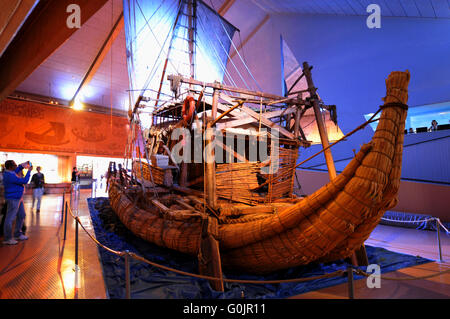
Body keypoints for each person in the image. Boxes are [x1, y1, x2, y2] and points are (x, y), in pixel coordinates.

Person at [2, 160, 32, 245]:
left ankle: (17, 234)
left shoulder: (10, 172)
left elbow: (16, 171)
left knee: (21, 215)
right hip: (13, 198)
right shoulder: (9, 175)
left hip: (18, 198)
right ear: (10, 167)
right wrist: (29, 171)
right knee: (10, 218)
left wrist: (22, 166)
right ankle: (7, 238)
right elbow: (24, 181)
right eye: (15, 165)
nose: (16, 166)